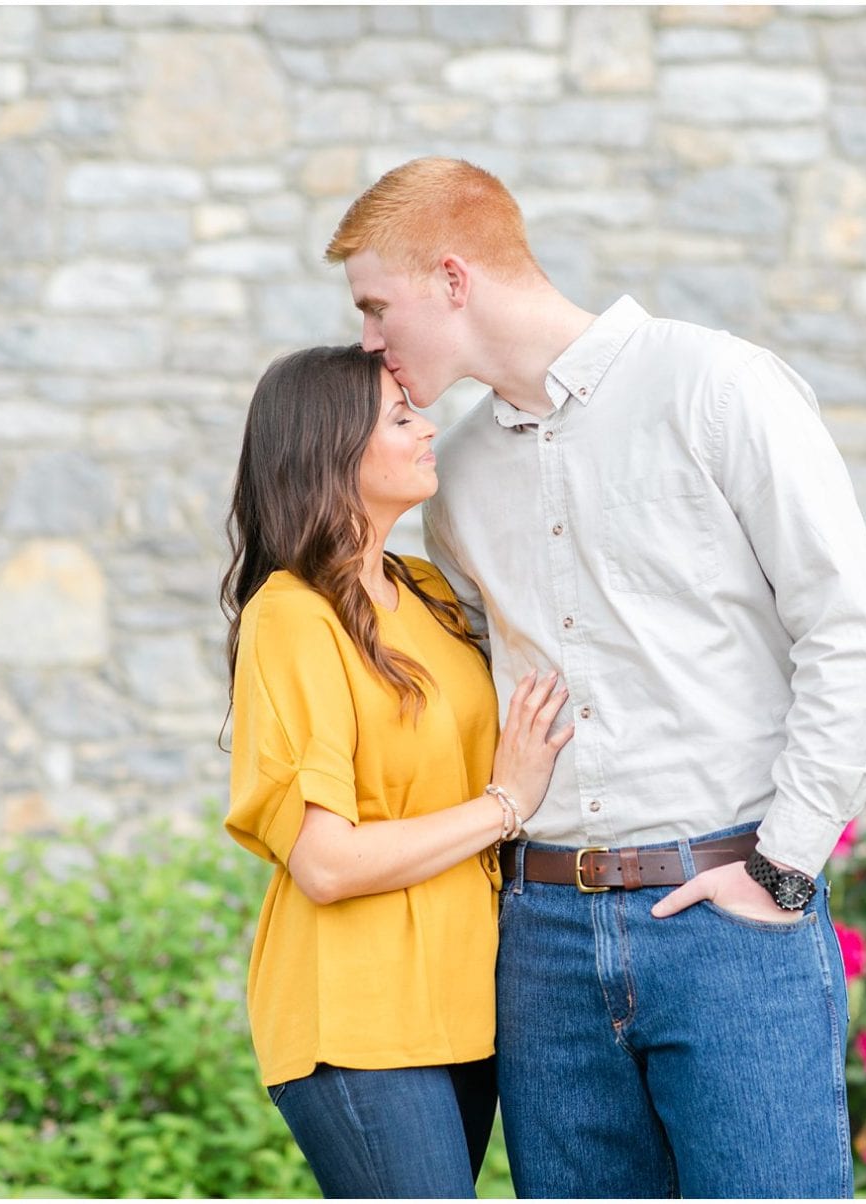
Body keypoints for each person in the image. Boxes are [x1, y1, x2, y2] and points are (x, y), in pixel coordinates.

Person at [323, 158, 866, 1198]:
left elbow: (851, 632)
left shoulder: (715, 386)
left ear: (453, 278)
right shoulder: (453, 481)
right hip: (541, 940)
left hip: (726, 918)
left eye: (377, 305)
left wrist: (783, 868)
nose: (370, 340)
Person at [218, 343, 574, 1198]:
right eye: (401, 418)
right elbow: (327, 863)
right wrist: (505, 805)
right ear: (330, 451)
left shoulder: (425, 592)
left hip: (462, 1005)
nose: (429, 431)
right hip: (358, 1013)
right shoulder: (292, 618)